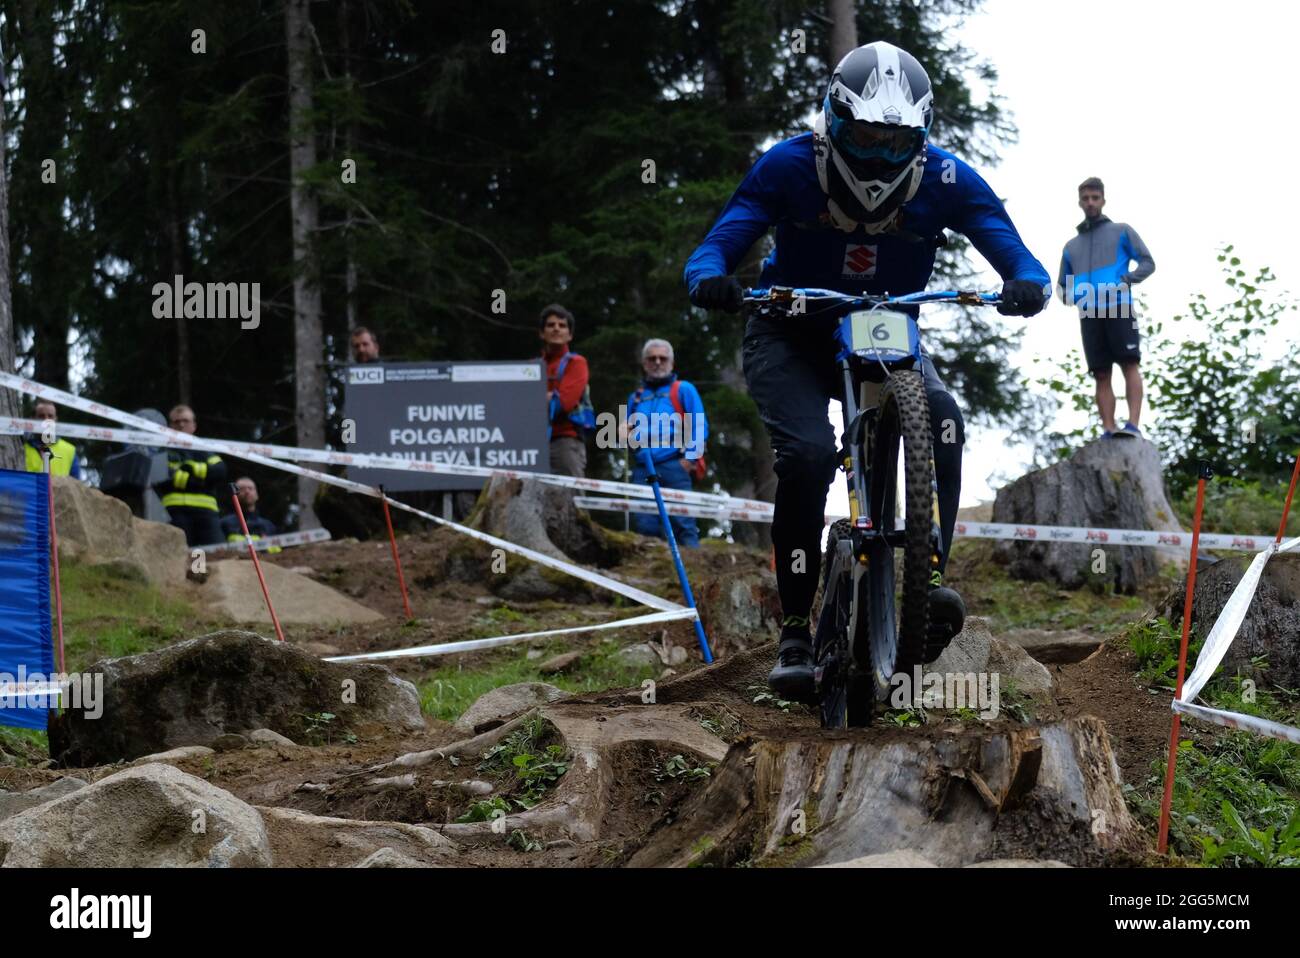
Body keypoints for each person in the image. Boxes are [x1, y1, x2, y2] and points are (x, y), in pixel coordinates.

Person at [684, 41, 1049, 700]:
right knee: (805, 458)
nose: (878, 156)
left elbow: (1008, 243)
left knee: (940, 417)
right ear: (834, 117)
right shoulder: (791, 166)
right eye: (864, 139)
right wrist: (708, 276)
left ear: (923, 135)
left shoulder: (946, 179)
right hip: (788, 330)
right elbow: (724, 235)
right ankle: (795, 631)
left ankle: (927, 577)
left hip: (887, 329)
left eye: (894, 143)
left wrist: (1026, 281)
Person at [1057, 177, 1155, 438]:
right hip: (1089, 312)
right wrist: (1075, 296)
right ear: (1079, 202)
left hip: (1119, 307)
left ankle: (1133, 426)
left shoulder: (1121, 231)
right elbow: (1061, 288)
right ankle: (1108, 430)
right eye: (1086, 198)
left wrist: (1125, 281)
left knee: (1129, 363)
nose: (1090, 202)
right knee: (1100, 373)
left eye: (1095, 198)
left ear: (1103, 200)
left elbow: (1147, 262)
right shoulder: (1071, 247)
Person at [626, 338, 709, 548]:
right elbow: (626, 432)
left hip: (675, 466)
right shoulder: (635, 397)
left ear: (671, 363)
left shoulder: (683, 389)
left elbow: (699, 426)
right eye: (652, 358)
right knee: (646, 529)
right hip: (643, 469)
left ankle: (695, 576)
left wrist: (689, 460)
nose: (657, 362)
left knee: (684, 526)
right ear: (644, 363)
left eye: (662, 358)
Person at [153, 404, 227, 547]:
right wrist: (201, 478)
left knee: (216, 555)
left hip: (207, 513)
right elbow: (162, 477)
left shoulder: (205, 449)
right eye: (176, 421)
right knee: (180, 557)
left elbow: (220, 470)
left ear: (194, 426)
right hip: (174, 513)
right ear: (169, 426)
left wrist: (191, 468)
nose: (181, 424)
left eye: (185, 421)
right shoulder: (162, 451)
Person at [540, 304, 591, 478]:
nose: (556, 329)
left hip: (565, 442)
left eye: (562, 326)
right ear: (541, 333)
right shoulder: (533, 366)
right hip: (533, 442)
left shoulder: (576, 363)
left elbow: (564, 403)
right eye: (551, 325)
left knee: (570, 501)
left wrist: (534, 398)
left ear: (569, 335)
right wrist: (546, 397)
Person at [23, 400, 82, 479]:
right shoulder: (21, 448)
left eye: (50, 416)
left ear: (55, 420)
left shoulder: (70, 451)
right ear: (33, 419)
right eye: (41, 416)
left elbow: (77, 487)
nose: (46, 420)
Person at [220, 476, 280, 553]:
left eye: (250, 488)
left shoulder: (268, 526)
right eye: (242, 489)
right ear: (235, 495)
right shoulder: (224, 524)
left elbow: (277, 553)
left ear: (257, 495)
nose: (247, 491)